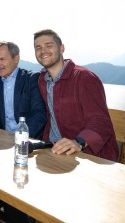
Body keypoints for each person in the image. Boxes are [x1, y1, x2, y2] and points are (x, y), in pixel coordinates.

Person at [33, 29, 119, 161]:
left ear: (62, 48)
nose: (43, 51)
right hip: (54, 150)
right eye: (38, 47)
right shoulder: (43, 80)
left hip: (88, 155)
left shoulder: (84, 78)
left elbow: (101, 122)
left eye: (49, 45)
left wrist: (79, 142)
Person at [0, 41, 47, 223]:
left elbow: (39, 115)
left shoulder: (31, 79)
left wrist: (18, 139)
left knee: (17, 189)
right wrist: (0, 142)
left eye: (3, 59)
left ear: (16, 59)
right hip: (3, 144)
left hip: (28, 145)